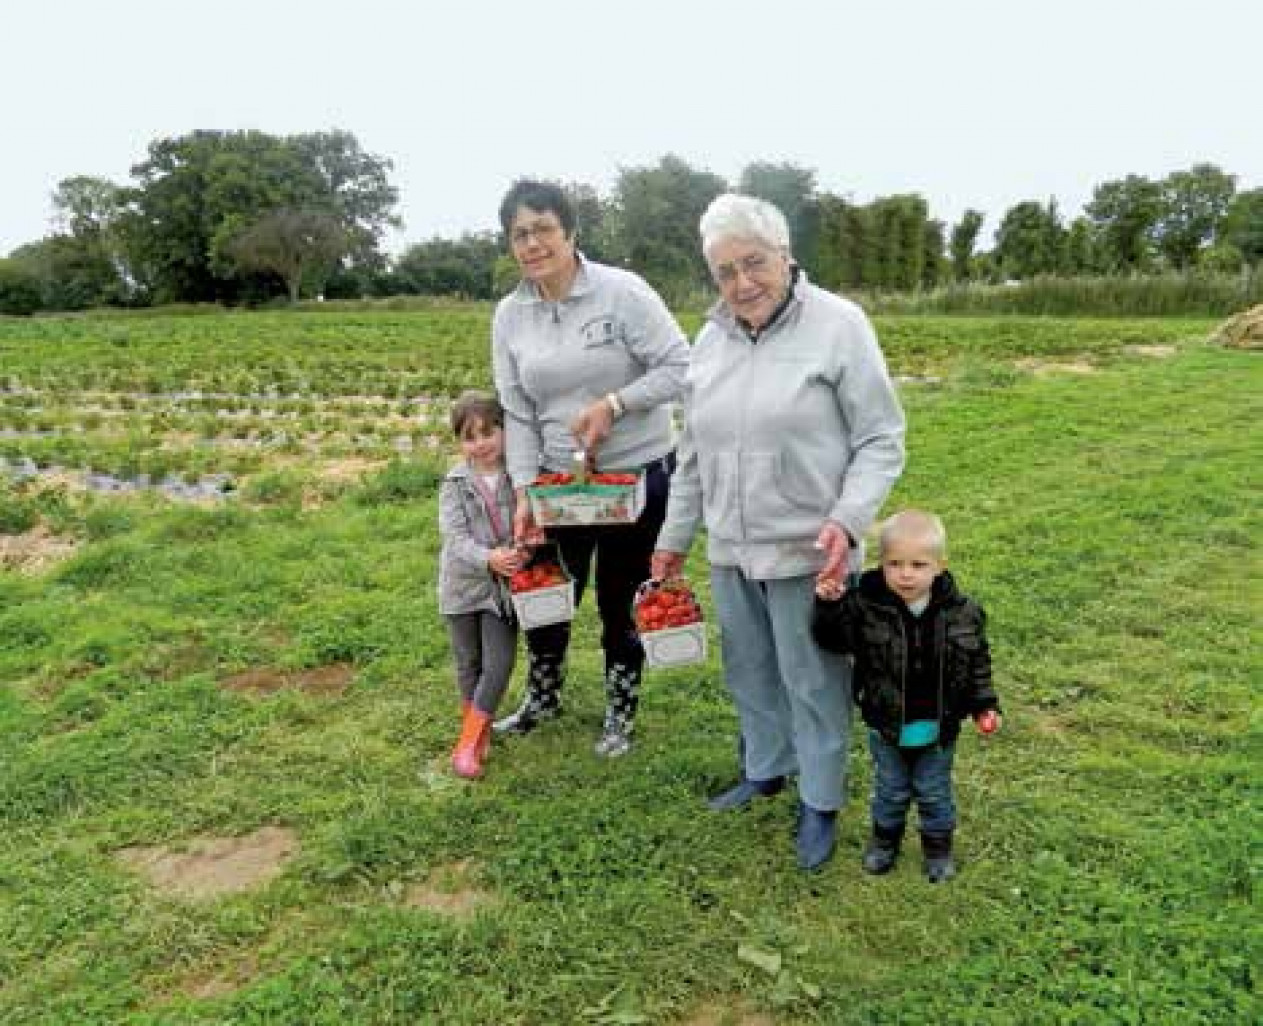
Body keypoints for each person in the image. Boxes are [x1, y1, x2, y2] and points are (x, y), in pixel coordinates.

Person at [652, 193, 906, 870]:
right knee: (749, 670)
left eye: (753, 263)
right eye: (724, 272)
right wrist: (673, 539)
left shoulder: (838, 326)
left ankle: (819, 800)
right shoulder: (710, 340)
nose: (741, 283)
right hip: (732, 548)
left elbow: (881, 439)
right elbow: (694, 455)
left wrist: (846, 521)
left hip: (808, 551)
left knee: (814, 678)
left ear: (785, 256)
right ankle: (765, 768)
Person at [490, 179, 690, 757]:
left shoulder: (621, 293)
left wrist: (615, 404)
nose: (532, 243)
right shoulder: (510, 315)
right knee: (548, 590)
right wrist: (526, 489)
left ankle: (619, 712)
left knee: (620, 595)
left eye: (543, 228)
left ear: (570, 232)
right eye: (520, 233)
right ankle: (542, 698)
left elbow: (680, 365)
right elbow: (517, 409)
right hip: (560, 483)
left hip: (634, 475)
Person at [811, 510, 1001, 882]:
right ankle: (885, 843)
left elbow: (977, 662)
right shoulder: (866, 608)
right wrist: (829, 606)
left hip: (938, 728)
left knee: (934, 792)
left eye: (918, 564)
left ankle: (938, 848)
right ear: (881, 564)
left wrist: (984, 705)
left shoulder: (963, 614)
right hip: (887, 725)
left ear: (939, 566)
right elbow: (832, 640)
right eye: (895, 563)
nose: (906, 574)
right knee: (891, 790)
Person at [437, 390, 523, 779]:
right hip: (462, 588)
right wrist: (488, 557)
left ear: (504, 431)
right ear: (460, 442)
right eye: (470, 437)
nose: (482, 443)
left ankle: (465, 745)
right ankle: (477, 737)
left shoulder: (516, 477)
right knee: (469, 663)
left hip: (501, 592)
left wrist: (524, 548)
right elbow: (454, 539)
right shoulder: (455, 484)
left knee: (500, 663)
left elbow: (528, 523)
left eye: (489, 432)